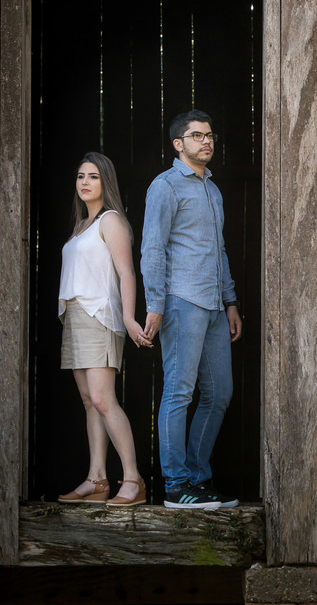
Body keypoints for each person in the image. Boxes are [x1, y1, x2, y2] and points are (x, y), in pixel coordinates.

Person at [141, 110, 243, 509]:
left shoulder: (212, 190)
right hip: (182, 301)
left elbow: (218, 250)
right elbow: (152, 248)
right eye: (197, 136)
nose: (207, 141)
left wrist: (230, 301)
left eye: (210, 135)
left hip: (215, 304)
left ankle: (198, 481)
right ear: (177, 144)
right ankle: (175, 485)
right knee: (179, 392)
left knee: (219, 394)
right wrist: (155, 303)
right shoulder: (165, 187)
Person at [57, 152, 152, 507]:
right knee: (88, 402)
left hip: (100, 315)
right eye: (80, 176)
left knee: (102, 399)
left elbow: (127, 272)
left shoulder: (110, 221)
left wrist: (129, 318)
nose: (84, 182)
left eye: (93, 176)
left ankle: (133, 480)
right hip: (75, 315)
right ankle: (97, 480)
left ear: (105, 182)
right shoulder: (81, 224)